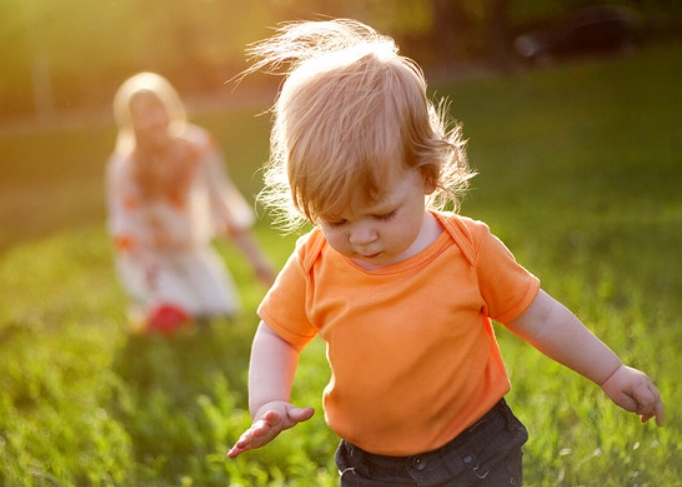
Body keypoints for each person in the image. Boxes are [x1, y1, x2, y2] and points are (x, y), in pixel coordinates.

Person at [226, 19, 664, 486]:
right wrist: (268, 400)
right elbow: (279, 334)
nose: (362, 237)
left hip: (475, 452)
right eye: (336, 221)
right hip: (371, 469)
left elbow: (539, 317)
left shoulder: (466, 250)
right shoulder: (314, 261)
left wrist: (610, 371)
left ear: (427, 176)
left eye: (382, 214)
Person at [106, 72, 276, 334]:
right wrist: (147, 265)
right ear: (130, 122)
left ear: (171, 107)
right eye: (141, 115)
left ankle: (163, 304)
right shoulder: (124, 166)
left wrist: (258, 261)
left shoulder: (199, 146)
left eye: (157, 109)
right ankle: (145, 308)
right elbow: (124, 227)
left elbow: (223, 206)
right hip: (148, 258)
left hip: (190, 250)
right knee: (182, 318)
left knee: (221, 312)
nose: (153, 120)